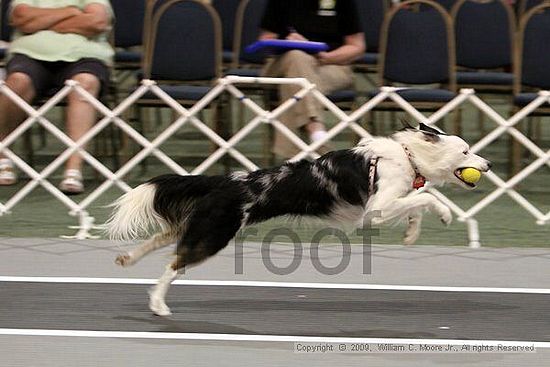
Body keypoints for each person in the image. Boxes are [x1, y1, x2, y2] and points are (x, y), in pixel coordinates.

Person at [0, 0, 114, 194]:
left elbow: (96, 22)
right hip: (30, 54)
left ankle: (73, 168)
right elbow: (23, 19)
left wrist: (43, 21)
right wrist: (71, 11)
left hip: (85, 55)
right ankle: (3, 157)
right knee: (17, 82)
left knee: (85, 83)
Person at [259, 0, 365, 158]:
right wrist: (289, 43)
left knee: (294, 84)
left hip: (330, 64)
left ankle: (291, 162)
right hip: (281, 64)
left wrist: (323, 55)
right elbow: (266, 39)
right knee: (297, 57)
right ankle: (317, 135)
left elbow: (357, 46)